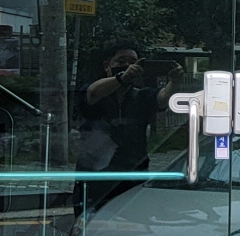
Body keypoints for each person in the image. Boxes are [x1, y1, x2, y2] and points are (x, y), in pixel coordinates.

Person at [76, 43, 182, 194]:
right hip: (95, 177)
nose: (129, 66)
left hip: (133, 177)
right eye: (121, 61)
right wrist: (121, 78)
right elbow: (93, 92)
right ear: (107, 66)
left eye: (134, 62)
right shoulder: (96, 91)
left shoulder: (141, 96)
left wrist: (175, 82)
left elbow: (163, 98)